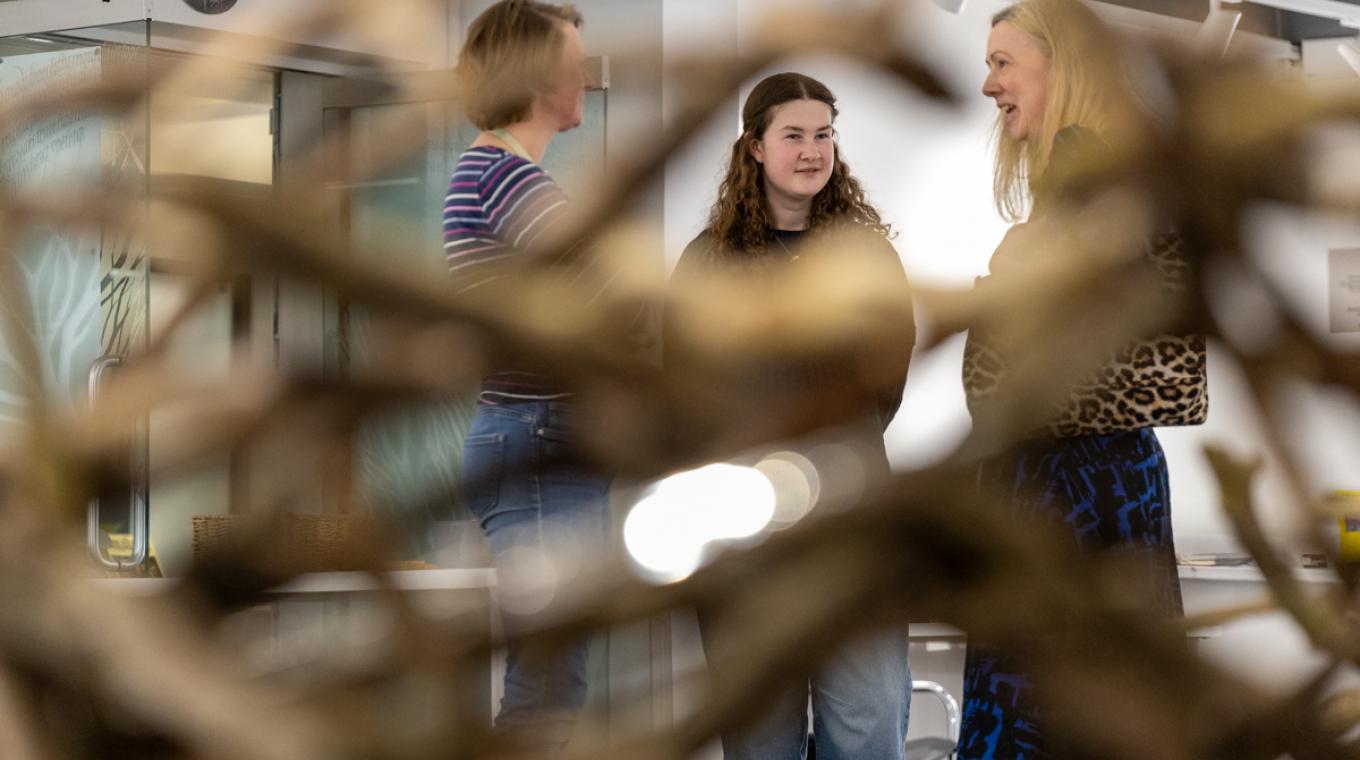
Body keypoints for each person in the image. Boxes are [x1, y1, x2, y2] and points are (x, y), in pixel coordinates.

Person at [959, 1, 1198, 757]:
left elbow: (1011, 376)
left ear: (1059, 64)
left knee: (1051, 719)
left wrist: (998, 287)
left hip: (1071, 494)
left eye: (1003, 62)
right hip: (1097, 484)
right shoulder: (1106, 170)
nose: (988, 83)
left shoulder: (1095, 169)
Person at [667, 71, 916, 760]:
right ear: (753, 148)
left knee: (868, 725)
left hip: (853, 522)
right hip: (741, 534)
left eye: (824, 135)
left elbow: (886, 385)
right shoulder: (708, 262)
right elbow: (680, 393)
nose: (812, 151)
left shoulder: (867, 258)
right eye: (794, 136)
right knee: (759, 736)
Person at [445, 1, 605, 755]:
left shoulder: (497, 169)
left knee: (550, 679)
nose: (587, 76)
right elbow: (602, 302)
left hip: (532, 434)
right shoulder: (505, 176)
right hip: (537, 432)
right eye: (575, 61)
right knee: (547, 682)